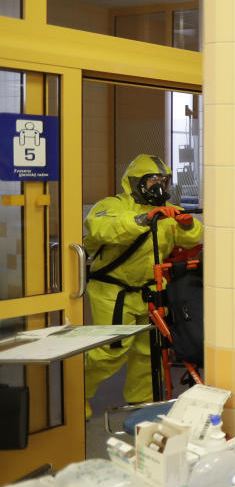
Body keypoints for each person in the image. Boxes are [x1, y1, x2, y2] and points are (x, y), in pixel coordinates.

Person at [83, 155, 204, 418]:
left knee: (148, 351)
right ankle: (76, 395)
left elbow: (191, 236)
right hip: (113, 293)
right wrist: (143, 219)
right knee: (109, 352)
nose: (158, 186)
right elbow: (102, 228)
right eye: (152, 181)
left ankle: (141, 402)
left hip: (150, 290)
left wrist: (187, 224)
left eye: (163, 181)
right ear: (136, 182)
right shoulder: (113, 205)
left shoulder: (166, 211)